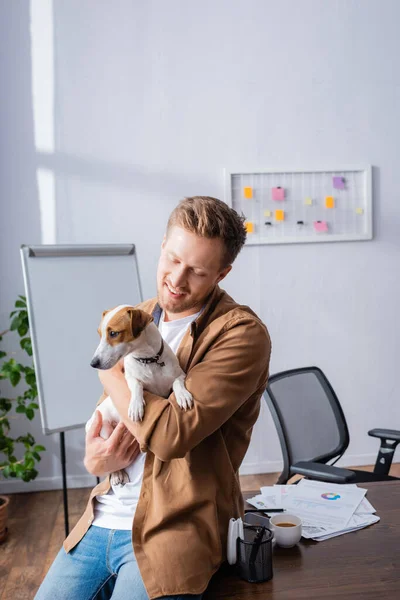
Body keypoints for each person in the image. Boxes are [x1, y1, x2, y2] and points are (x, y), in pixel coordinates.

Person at [35, 196, 271, 600]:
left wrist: (111, 369)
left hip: (173, 532)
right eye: (173, 259)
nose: (177, 280)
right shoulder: (138, 315)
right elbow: (109, 422)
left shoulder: (241, 334)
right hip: (100, 519)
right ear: (162, 246)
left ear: (221, 273)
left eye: (196, 271)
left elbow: (170, 436)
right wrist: (95, 459)